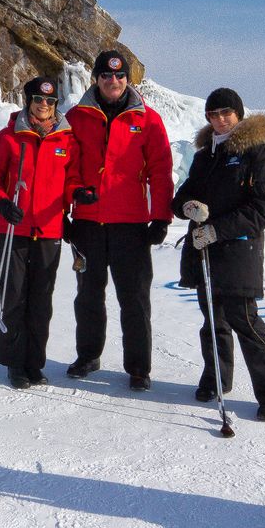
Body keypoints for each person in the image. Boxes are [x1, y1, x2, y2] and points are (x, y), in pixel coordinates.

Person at [171, 87, 265, 421]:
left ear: (239, 114)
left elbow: (264, 208)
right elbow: (183, 195)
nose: (220, 119)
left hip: (239, 249)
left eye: (226, 113)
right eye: (213, 115)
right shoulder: (205, 155)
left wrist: (217, 229)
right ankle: (216, 379)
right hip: (204, 250)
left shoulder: (259, 155)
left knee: (245, 321)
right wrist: (187, 206)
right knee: (213, 320)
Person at [64, 50, 174, 390]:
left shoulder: (148, 119)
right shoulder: (75, 117)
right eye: (107, 75)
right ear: (96, 78)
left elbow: (160, 171)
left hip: (131, 226)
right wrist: (69, 201)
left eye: (120, 76)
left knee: (134, 298)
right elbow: (64, 167)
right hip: (88, 223)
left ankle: (139, 368)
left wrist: (161, 217)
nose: (114, 81)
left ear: (128, 80)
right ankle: (88, 355)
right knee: (88, 296)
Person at [0, 76, 86, 388]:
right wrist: (1, 203)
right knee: (14, 296)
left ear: (56, 104)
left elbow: (72, 180)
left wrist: (77, 195)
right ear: (28, 101)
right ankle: (14, 363)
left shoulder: (66, 141)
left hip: (50, 227)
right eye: (38, 100)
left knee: (41, 299)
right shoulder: (9, 138)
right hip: (14, 228)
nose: (44, 105)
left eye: (50, 101)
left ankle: (34, 363)